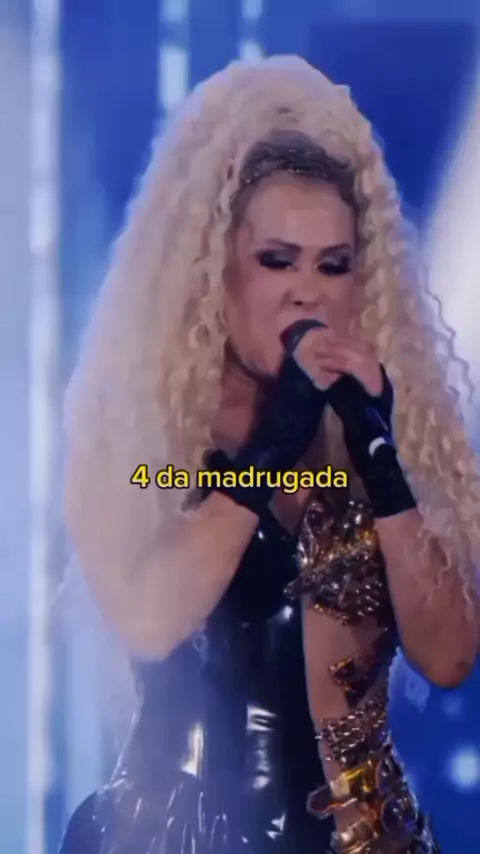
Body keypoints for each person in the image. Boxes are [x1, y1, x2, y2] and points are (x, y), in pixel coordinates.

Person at [59, 55, 479, 854]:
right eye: (277, 261)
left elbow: (452, 655)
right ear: (215, 274)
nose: (305, 290)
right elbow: (150, 620)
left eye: (333, 265)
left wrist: (380, 459)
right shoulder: (145, 443)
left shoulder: (392, 432)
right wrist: (276, 444)